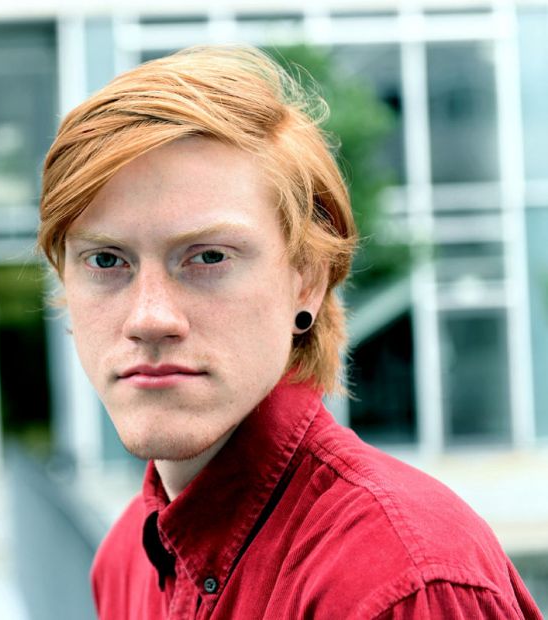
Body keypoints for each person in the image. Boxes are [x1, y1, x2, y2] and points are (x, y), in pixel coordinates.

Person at [36, 46, 542, 619]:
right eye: (106, 262)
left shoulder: (400, 579)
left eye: (207, 257)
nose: (149, 318)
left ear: (307, 282)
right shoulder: (127, 557)